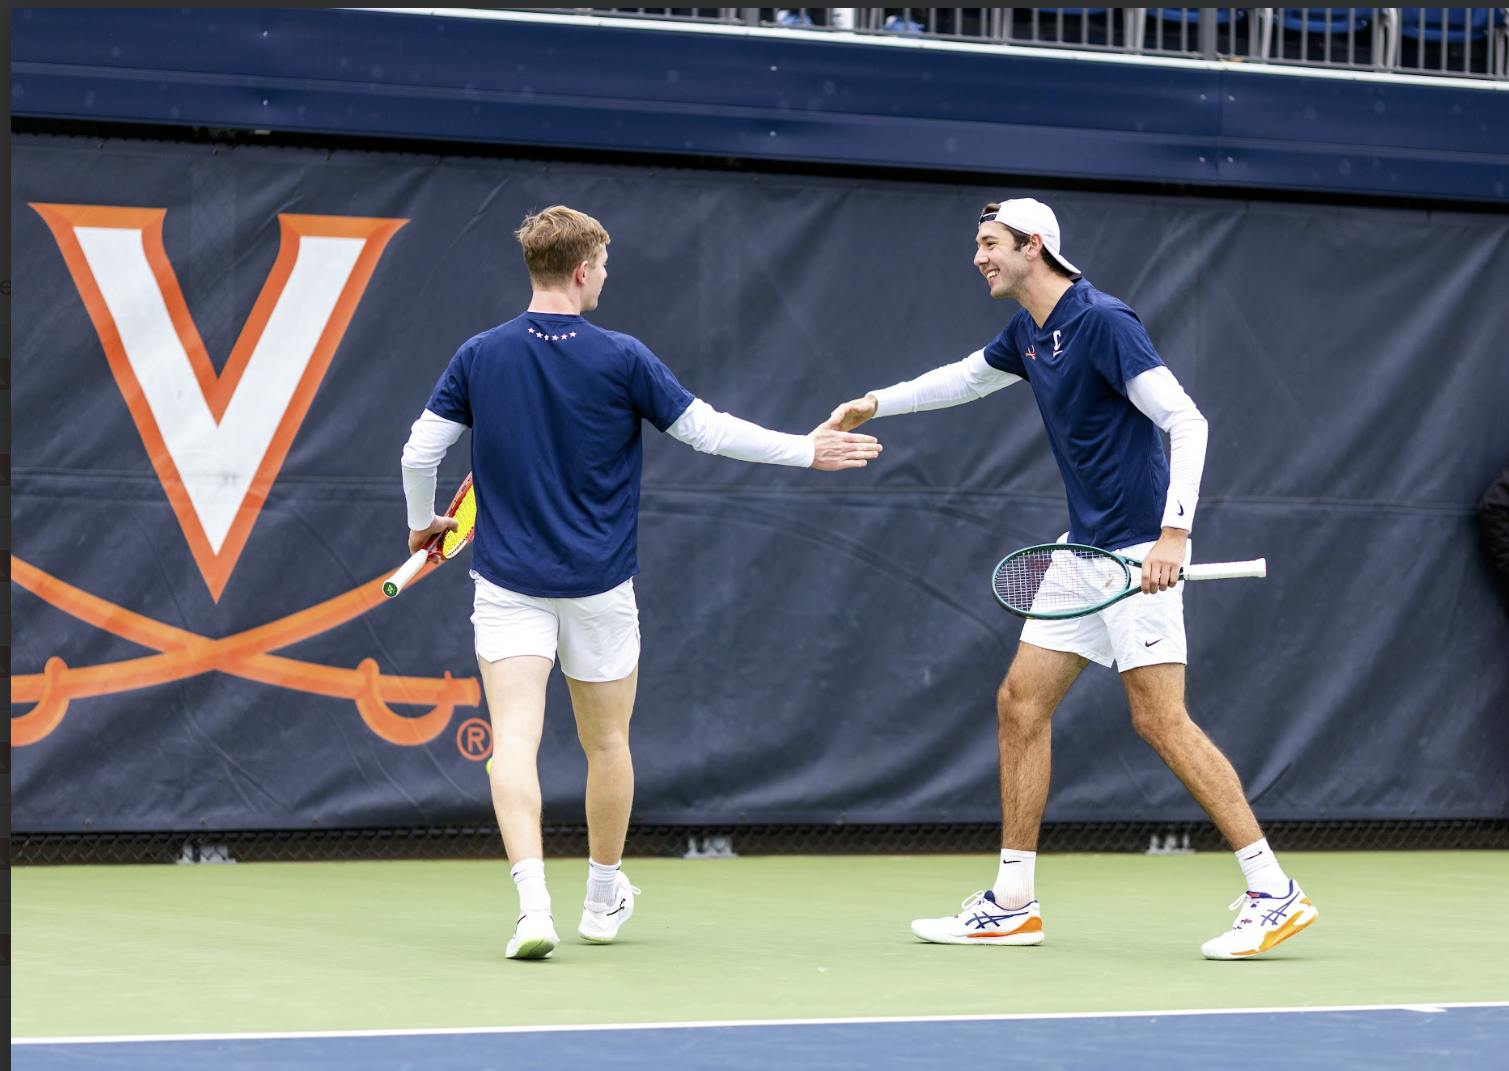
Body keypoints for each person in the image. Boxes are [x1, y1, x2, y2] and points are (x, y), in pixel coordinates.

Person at [825, 197, 1316, 960]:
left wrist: (1173, 534)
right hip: (1079, 552)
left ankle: (1272, 889)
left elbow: (1186, 420)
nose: (978, 256)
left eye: (990, 243)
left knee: (1160, 720)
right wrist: (876, 403)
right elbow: (965, 379)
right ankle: (1011, 903)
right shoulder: (1029, 330)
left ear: (1033, 247)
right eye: (978, 243)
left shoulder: (1103, 322)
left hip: (1137, 549)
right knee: (1019, 704)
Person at [401, 205, 882, 960]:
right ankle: (601, 898)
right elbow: (709, 431)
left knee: (514, 742)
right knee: (608, 743)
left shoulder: (479, 355)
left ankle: (533, 910)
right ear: (582, 270)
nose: (605, 276)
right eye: (603, 265)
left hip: (508, 586)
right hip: (599, 589)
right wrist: (804, 451)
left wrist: (421, 523)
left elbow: (418, 452)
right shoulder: (622, 357)